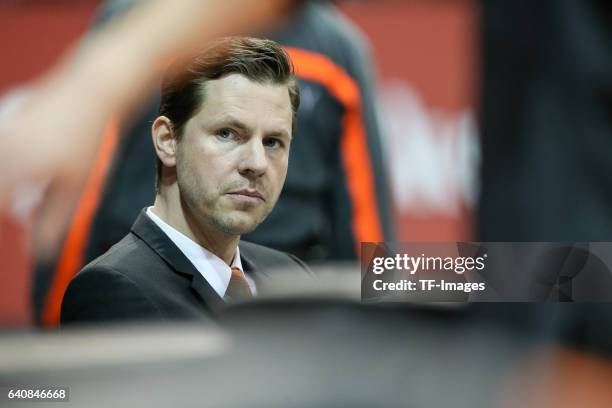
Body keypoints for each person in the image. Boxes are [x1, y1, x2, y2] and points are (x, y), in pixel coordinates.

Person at [61, 37, 310, 324]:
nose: (256, 163)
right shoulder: (112, 291)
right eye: (227, 133)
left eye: (272, 141)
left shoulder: (293, 277)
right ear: (167, 141)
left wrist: (376, 295)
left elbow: (372, 235)